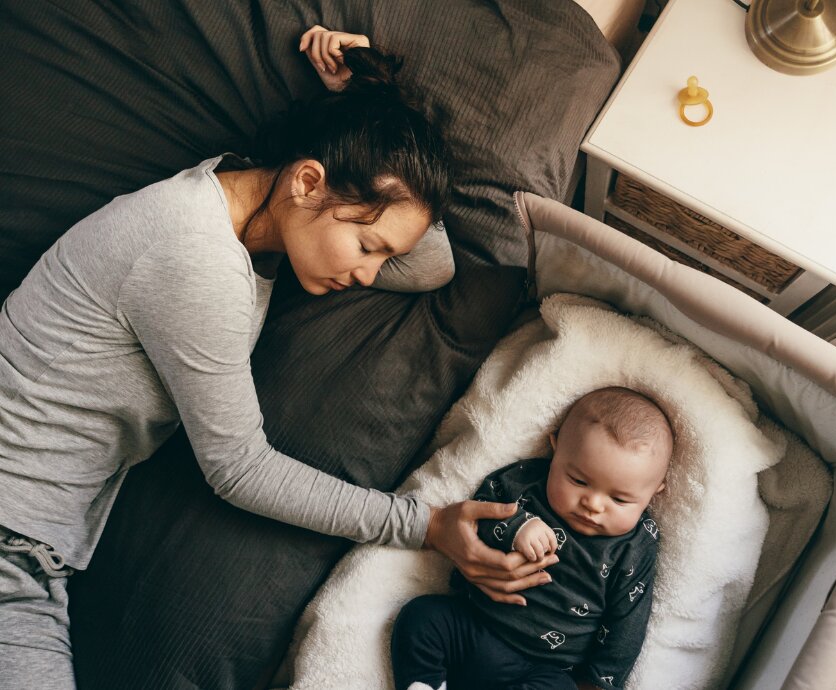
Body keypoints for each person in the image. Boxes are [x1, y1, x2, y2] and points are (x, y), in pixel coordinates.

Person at [0, 27, 556, 689]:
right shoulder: (194, 258)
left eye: (380, 251)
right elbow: (238, 468)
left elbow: (431, 265)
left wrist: (363, 108)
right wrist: (427, 525)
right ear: (307, 181)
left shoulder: (256, 210)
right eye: (369, 244)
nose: (372, 271)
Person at [392, 387, 674, 690]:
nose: (593, 504)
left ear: (653, 493)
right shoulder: (526, 484)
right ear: (556, 448)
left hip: (546, 669)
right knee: (422, 618)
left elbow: (628, 623)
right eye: (578, 481)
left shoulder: (634, 545)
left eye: (619, 499)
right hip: (474, 625)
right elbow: (477, 515)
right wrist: (517, 527)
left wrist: (598, 681)